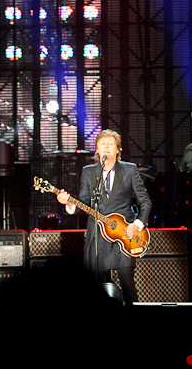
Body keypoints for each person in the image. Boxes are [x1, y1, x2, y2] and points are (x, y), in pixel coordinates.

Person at [56, 129, 152, 306]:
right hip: (97, 236)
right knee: (95, 288)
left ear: (118, 150)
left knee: (127, 283)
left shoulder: (129, 170)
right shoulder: (89, 172)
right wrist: (69, 203)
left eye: (111, 144)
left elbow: (145, 201)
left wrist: (137, 225)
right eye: (102, 144)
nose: (106, 147)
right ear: (97, 150)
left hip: (124, 235)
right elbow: (84, 201)